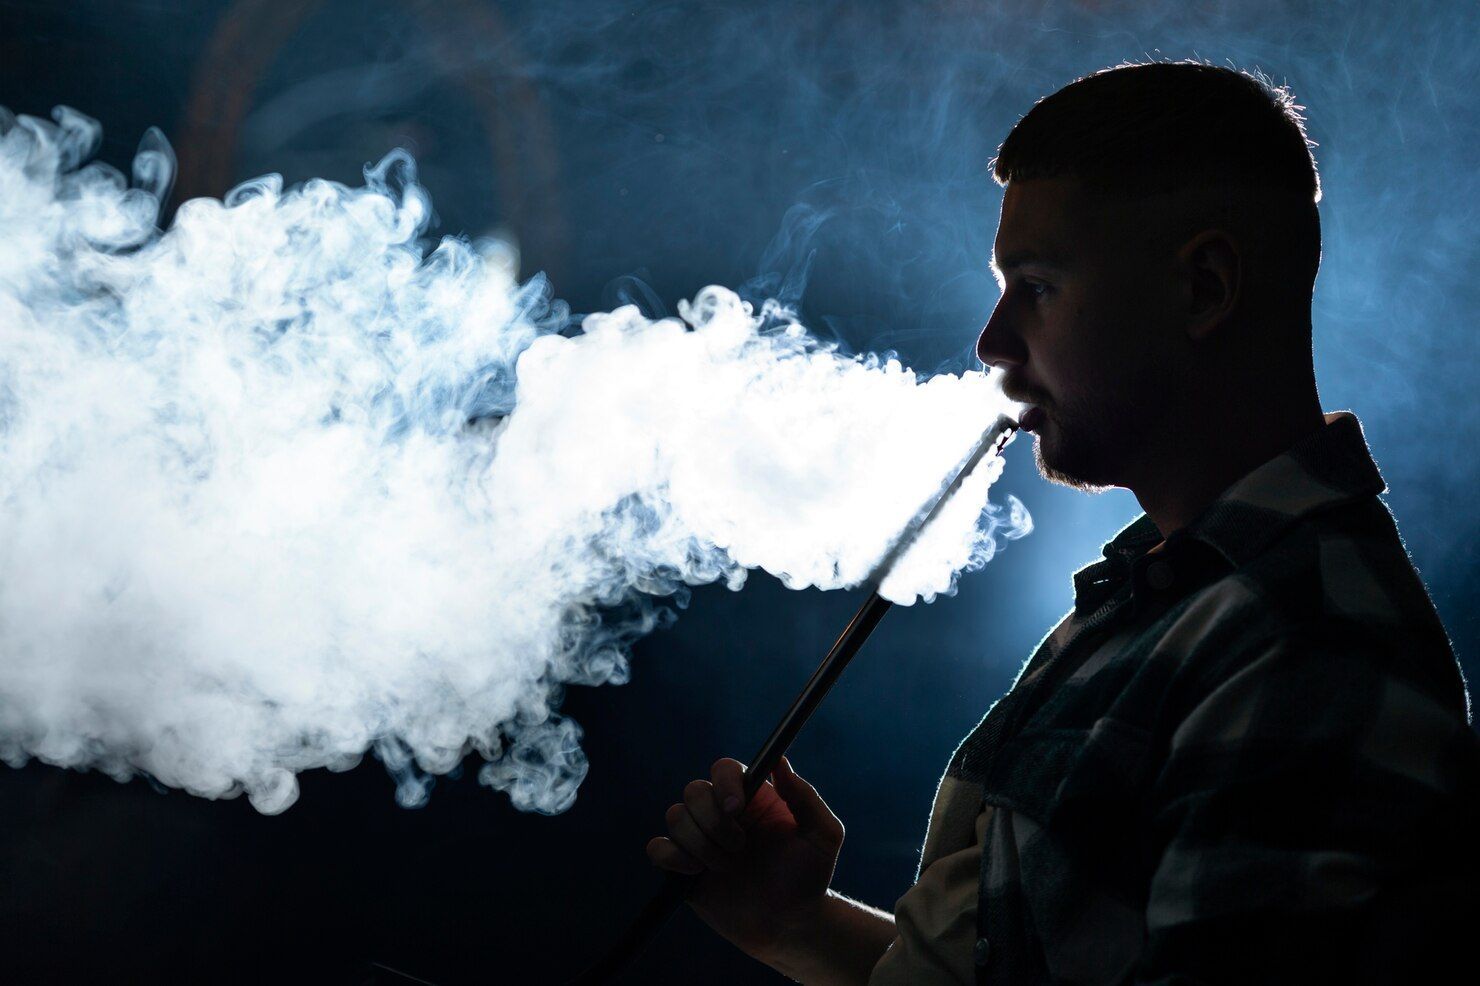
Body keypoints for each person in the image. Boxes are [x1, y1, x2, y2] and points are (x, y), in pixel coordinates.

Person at [645, 60, 1479, 984]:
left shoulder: (1307, 642)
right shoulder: (1161, 598)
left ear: (1204, 288)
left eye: (1037, 286)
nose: (994, 341)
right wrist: (792, 926)